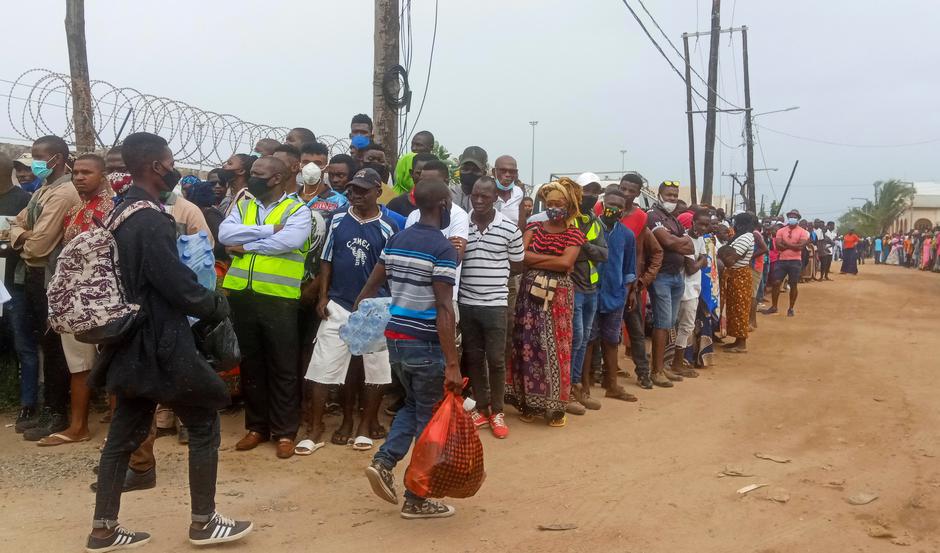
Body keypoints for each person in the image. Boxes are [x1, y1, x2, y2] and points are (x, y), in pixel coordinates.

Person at [86, 132, 251, 551]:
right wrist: (213, 303)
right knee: (202, 422)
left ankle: (103, 529)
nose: (174, 166)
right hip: (162, 340)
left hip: (128, 339)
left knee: (123, 434)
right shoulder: (151, 218)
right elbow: (173, 283)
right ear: (157, 167)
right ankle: (203, 522)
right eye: (170, 160)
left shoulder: (120, 212)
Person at [357, 177, 462, 519]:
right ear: (444, 206)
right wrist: (452, 363)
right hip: (426, 344)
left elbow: (370, 288)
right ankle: (417, 497)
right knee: (429, 423)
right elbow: (444, 309)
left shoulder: (398, 239)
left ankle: (384, 462)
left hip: (396, 341)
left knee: (415, 405)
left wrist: (363, 319)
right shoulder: (443, 250)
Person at [220, 156, 312, 459]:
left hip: (278, 297)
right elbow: (224, 235)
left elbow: (290, 241)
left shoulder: (299, 210)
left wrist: (247, 245)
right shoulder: (245, 205)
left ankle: (285, 432)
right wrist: (269, 230)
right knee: (251, 363)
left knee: (283, 365)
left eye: (258, 174)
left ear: (276, 179)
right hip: (242, 295)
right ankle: (257, 427)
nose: (251, 178)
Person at [303, 168, 396, 451]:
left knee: (374, 370)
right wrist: (322, 297)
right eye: (353, 189)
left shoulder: (389, 227)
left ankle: (365, 425)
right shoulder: (338, 219)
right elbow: (326, 260)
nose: (355, 194)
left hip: (374, 309)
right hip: (339, 304)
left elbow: (391, 271)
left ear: (378, 193)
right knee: (322, 365)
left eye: (363, 190)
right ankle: (316, 427)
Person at [39, 154, 114, 447]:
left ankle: (117, 431)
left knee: (111, 363)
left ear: (103, 175)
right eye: (77, 173)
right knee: (79, 366)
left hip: (104, 299)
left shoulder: (113, 209)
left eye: (87, 172)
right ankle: (78, 427)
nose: (80, 177)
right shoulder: (73, 211)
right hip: (73, 300)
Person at [9, 135, 80, 440]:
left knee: (54, 348)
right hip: (36, 277)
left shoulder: (63, 193)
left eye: (40, 157)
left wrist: (20, 237)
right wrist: (22, 233)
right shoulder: (43, 190)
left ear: (58, 158)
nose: (36, 163)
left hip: (52, 276)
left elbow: (38, 245)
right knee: (46, 343)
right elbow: (15, 223)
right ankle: (51, 408)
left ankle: (57, 412)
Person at [506, 178, 584, 427]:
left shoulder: (574, 233)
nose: (554, 208)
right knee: (528, 346)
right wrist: (551, 260)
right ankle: (529, 403)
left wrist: (535, 260)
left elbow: (566, 263)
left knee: (556, 347)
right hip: (529, 295)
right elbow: (521, 257)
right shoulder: (533, 229)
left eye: (559, 203)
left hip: (558, 297)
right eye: (549, 203)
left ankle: (555, 407)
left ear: (568, 205)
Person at [458, 176, 523, 438]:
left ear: (496, 197)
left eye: (485, 196)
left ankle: (497, 411)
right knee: (473, 358)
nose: (479, 200)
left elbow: (517, 266)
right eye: (475, 195)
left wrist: (493, 282)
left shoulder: (509, 228)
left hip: (496, 305)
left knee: (496, 360)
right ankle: (481, 408)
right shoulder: (461, 225)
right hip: (467, 303)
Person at [585, 186, 637, 401]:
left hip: (615, 296)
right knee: (588, 340)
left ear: (624, 211)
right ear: (602, 205)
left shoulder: (627, 235)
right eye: (610, 205)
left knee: (611, 340)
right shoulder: (591, 228)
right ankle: (584, 386)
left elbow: (629, 268)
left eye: (618, 207)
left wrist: (628, 293)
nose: (613, 210)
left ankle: (612, 385)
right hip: (589, 292)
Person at [0, 153, 38, 431]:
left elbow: (33, 240)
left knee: (24, 344)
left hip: (15, 284)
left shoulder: (25, 201)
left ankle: (28, 404)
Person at [646, 181, 694, 386]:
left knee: (669, 323)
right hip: (662, 277)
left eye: (675, 195)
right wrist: (676, 242)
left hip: (677, 276)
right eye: (669, 195)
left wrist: (675, 242)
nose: (672, 199)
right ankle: (656, 370)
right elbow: (668, 243)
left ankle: (663, 366)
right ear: (659, 195)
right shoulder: (653, 216)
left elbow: (689, 244)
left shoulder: (673, 219)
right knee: (662, 323)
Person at [672, 208, 710, 376]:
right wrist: (702, 260)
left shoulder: (700, 239)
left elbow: (703, 261)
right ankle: (677, 363)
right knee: (684, 326)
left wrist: (701, 260)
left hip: (693, 288)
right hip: (685, 289)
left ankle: (677, 361)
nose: (703, 227)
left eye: (706, 225)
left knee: (685, 326)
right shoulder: (685, 239)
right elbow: (692, 267)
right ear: (693, 222)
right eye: (700, 223)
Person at [718, 212, 757, 352]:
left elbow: (730, 260)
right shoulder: (742, 236)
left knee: (740, 308)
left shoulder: (746, 237)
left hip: (739, 275)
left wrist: (720, 252)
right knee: (734, 308)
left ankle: (741, 344)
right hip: (735, 275)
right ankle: (737, 340)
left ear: (740, 224)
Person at [763, 209, 809, 317]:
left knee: (793, 284)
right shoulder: (781, 231)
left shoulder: (803, 232)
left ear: (798, 218)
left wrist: (786, 244)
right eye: (790, 216)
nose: (792, 218)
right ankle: (774, 306)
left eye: (794, 216)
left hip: (795, 261)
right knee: (776, 282)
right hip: (782, 260)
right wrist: (794, 245)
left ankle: (791, 308)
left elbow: (801, 246)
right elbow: (778, 245)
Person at [298, 142, 347, 212]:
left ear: (326, 168)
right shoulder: (289, 199)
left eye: (317, 163)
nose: (310, 167)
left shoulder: (339, 201)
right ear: (299, 166)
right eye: (306, 162)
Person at [387, 153, 438, 217]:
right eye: (419, 173)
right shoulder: (396, 205)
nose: (423, 177)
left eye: (429, 174)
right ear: (411, 173)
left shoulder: (445, 205)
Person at [392, 130, 434, 195]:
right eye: (412, 144)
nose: (414, 148)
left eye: (419, 145)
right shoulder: (406, 159)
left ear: (431, 147)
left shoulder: (435, 164)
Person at [451, 146, 487, 212]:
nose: (469, 173)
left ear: (484, 173)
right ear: (460, 170)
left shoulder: (489, 199)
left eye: (476, 170)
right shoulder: (448, 194)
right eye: (466, 169)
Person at [492, 155, 525, 224]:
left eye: (512, 171)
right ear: (493, 172)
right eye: (503, 171)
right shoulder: (487, 191)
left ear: (516, 173)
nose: (507, 175)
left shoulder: (518, 193)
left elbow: (521, 223)